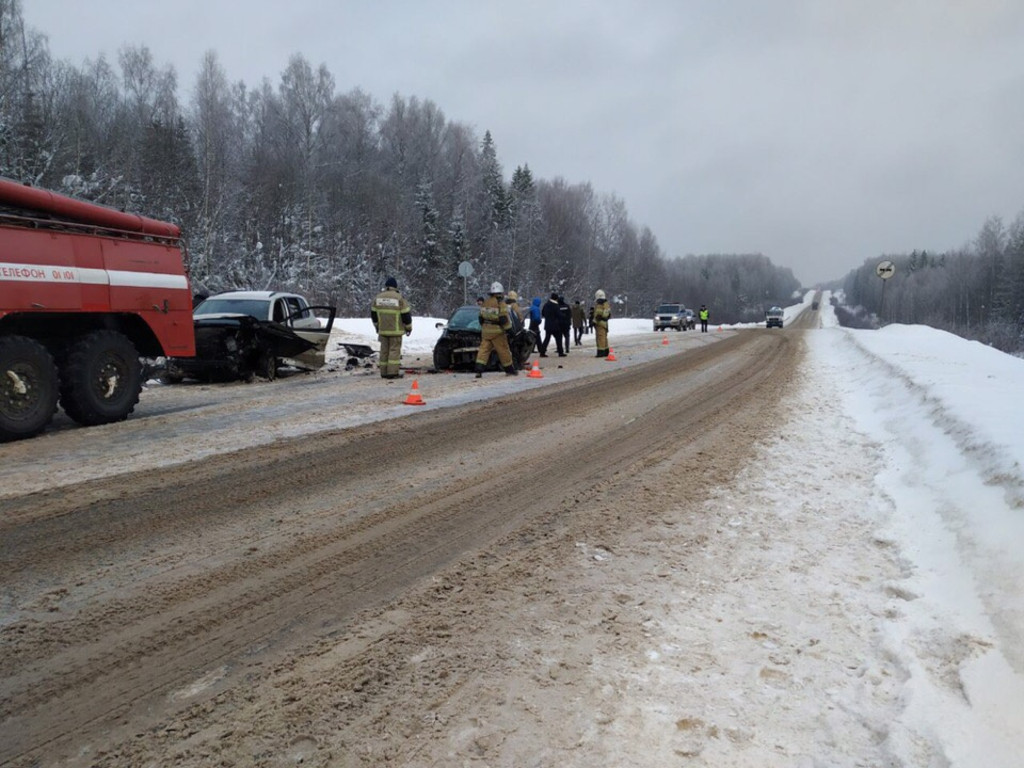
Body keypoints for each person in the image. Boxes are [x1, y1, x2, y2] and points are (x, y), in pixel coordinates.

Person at [371, 276, 412, 379]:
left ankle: (383, 372)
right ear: (395, 286)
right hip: (396, 331)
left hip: (383, 330)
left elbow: (374, 314)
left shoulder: (378, 298)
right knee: (394, 351)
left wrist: (377, 326)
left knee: (384, 351)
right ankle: (392, 373)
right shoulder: (399, 298)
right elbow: (406, 315)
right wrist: (408, 328)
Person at [475, 282, 518, 378]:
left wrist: (485, 327)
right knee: (503, 350)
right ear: (500, 293)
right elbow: (503, 319)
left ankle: (478, 370)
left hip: (486, 332)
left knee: (483, 351)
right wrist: (510, 331)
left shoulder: (485, 303)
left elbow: (480, 318)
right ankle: (510, 370)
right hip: (497, 333)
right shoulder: (500, 304)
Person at [539, 292, 563, 357]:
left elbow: (543, 313)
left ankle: (542, 352)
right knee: (558, 338)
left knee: (547, 338)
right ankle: (560, 352)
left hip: (548, 324)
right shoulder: (556, 306)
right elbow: (559, 315)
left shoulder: (546, 304)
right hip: (555, 325)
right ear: (556, 299)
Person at [593, 289, 611, 357]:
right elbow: (608, 314)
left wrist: (594, 322)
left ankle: (601, 352)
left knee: (600, 338)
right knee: (604, 338)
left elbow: (598, 315)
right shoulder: (606, 304)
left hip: (600, 324)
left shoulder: (600, 304)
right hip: (605, 323)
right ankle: (606, 351)